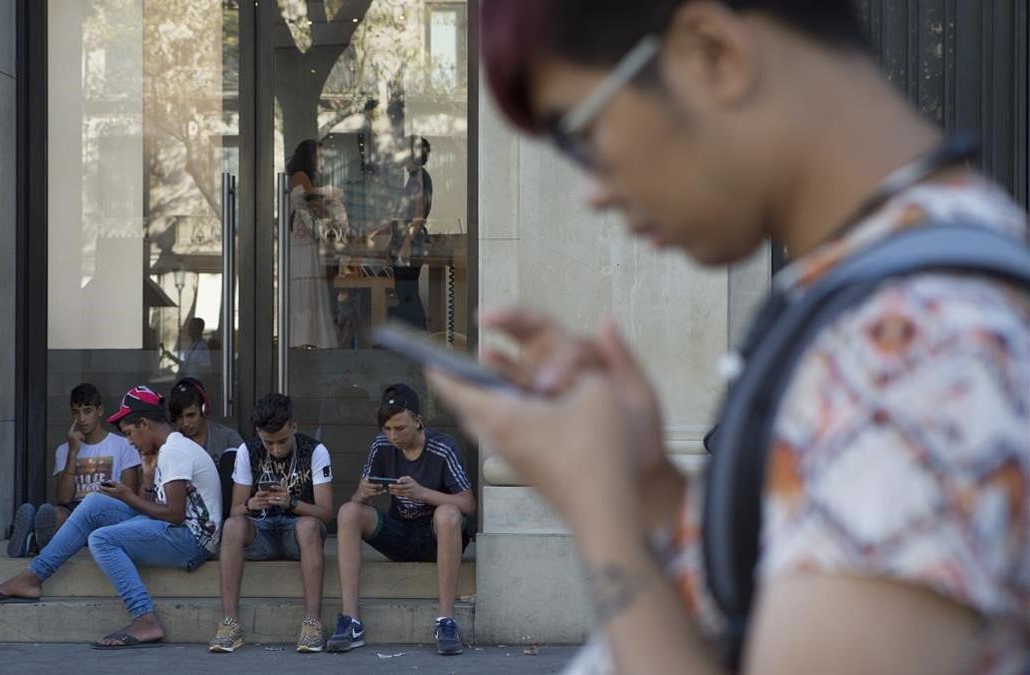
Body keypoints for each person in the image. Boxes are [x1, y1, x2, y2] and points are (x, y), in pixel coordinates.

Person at [427, 2, 1030, 674]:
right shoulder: (886, 285)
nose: (591, 191)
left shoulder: (914, 343)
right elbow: (763, 600)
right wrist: (649, 482)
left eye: (579, 132)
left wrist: (599, 510)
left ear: (713, 53)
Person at [0, 386, 223, 649]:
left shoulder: (174, 451)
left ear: (144, 423)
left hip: (192, 542)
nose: (130, 442)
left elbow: (175, 514)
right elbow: (158, 508)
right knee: (95, 503)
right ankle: (33, 577)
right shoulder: (167, 449)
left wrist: (128, 496)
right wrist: (147, 479)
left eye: (129, 433)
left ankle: (145, 619)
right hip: (175, 529)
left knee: (102, 540)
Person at [328, 383, 475, 656]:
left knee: (448, 514)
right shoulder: (381, 445)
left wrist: (421, 492)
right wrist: (364, 492)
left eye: (400, 428)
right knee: (349, 511)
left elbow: (468, 503)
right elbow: (358, 497)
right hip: (400, 534)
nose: (393, 436)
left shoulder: (443, 447)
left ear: (418, 421)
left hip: (436, 537)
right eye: (387, 429)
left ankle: (446, 620)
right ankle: (351, 620)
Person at [208, 393, 334, 654]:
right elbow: (235, 511)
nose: (276, 449)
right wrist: (250, 505)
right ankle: (229, 623)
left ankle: (312, 623)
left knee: (308, 526)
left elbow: (325, 514)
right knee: (233, 526)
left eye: (282, 441)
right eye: (269, 442)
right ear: (258, 433)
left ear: (294, 426)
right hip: (262, 532)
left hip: (298, 534)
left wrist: (291, 503)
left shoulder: (315, 451)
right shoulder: (248, 450)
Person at [6, 383, 141, 557]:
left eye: (87, 411)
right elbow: (64, 497)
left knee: (75, 524)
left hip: (106, 507)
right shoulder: (65, 450)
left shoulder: (123, 445)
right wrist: (73, 452)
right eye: (76, 412)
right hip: (74, 509)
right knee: (55, 514)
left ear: (100, 411)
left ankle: (34, 542)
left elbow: (129, 495)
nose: (82, 418)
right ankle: (35, 539)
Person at [287, 139, 339, 349]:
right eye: (319, 156)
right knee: (308, 293)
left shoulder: (299, 177)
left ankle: (306, 340)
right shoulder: (301, 177)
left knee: (308, 294)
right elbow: (315, 205)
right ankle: (308, 341)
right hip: (303, 243)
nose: (322, 161)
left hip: (303, 241)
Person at [386, 136, 434, 329]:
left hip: (411, 243)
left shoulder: (421, 178)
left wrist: (405, 244)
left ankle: (418, 336)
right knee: (405, 292)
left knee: (407, 292)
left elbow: (419, 214)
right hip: (405, 241)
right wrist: (392, 243)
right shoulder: (414, 178)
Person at [168, 377, 243, 464]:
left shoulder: (228, 438)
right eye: (180, 417)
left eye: (191, 415)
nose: (185, 423)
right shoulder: (171, 443)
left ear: (204, 410)